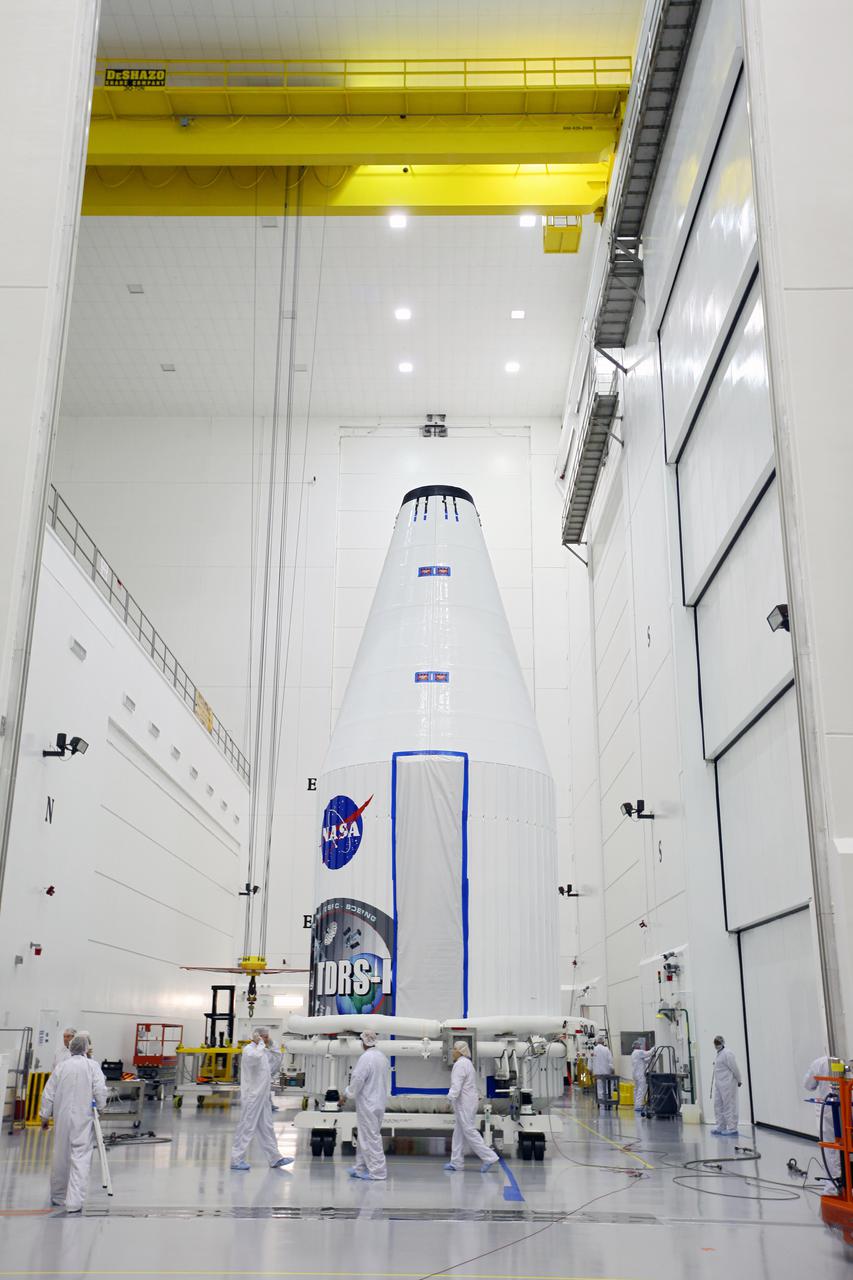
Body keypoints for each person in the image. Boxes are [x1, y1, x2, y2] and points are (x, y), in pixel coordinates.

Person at [39, 1033, 107, 1212]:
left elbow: (48, 1093)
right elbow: (100, 1088)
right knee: (80, 1156)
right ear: (86, 1048)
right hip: (82, 1119)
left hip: (61, 1118)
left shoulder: (61, 1067)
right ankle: (74, 1202)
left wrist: (44, 1116)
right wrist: (101, 1107)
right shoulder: (92, 1066)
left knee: (60, 1155)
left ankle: (58, 1196)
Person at [230, 1028, 293, 1171]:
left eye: (267, 1037)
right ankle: (236, 1159)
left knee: (267, 1127)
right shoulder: (249, 1050)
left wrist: (272, 1044)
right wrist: (260, 1045)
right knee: (247, 1127)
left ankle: (275, 1158)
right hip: (252, 1096)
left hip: (263, 1096)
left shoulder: (263, 1051)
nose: (266, 1039)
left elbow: (276, 1060)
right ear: (257, 1037)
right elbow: (254, 1059)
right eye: (265, 1037)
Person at [445, 1042, 500, 1172]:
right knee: (458, 1132)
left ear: (460, 1051)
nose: (452, 1052)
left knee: (469, 1131)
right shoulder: (467, 1063)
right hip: (467, 1102)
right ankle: (456, 1162)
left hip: (464, 1103)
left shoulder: (460, 1065)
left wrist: (448, 1100)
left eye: (454, 1049)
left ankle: (489, 1157)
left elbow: (456, 1086)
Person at [345, 1030, 389, 1181]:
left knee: (370, 1137)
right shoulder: (382, 1057)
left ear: (363, 1042)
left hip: (367, 1103)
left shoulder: (366, 1057)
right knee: (365, 1135)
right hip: (378, 1102)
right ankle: (359, 1167)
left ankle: (378, 1172)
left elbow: (358, 1079)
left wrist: (348, 1093)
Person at [804, 1053, 841, 1179]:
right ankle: (844, 1180)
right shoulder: (843, 1060)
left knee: (831, 1146)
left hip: (830, 1109)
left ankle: (834, 1183)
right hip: (846, 1107)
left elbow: (808, 1085)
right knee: (845, 1143)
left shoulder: (819, 1063)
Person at [711, 1035, 742, 1136]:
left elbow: (735, 1068)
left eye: (718, 1043)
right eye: (715, 1043)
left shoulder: (728, 1053)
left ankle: (732, 1128)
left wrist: (739, 1079)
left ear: (722, 1043)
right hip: (719, 1084)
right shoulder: (719, 1054)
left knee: (729, 1105)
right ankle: (721, 1126)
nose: (717, 1045)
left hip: (728, 1084)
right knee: (718, 1105)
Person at [591, 1033, 615, 1106]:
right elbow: (610, 1061)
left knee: (599, 1088)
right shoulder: (606, 1049)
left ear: (597, 1041)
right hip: (606, 1072)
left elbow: (590, 1060)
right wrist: (612, 1069)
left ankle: (601, 1104)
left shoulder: (594, 1050)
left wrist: (590, 1069)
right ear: (603, 1041)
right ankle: (608, 1100)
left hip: (597, 1072)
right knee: (608, 1086)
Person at [630, 1039, 652, 1113]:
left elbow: (644, 1060)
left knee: (636, 1089)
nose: (640, 1046)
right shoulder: (639, 1052)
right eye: (639, 1045)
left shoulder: (634, 1053)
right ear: (636, 1046)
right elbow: (648, 1053)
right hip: (640, 1074)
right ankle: (638, 1105)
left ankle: (636, 1104)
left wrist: (651, 1057)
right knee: (641, 1089)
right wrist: (654, 1048)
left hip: (635, 1074)